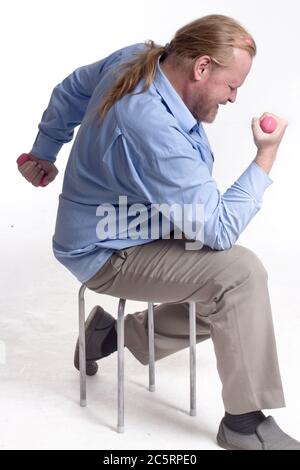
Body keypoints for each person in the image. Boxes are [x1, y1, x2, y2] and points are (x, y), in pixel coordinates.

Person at [18, 14, 300, 450]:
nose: (234, 97)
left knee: (236, 289)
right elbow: (220, 229)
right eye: (231, 85)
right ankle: (243, 424)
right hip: (104, 249)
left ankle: (110, 336)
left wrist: (44, 150)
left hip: (140, 224)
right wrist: (267, 155)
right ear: (202, 67)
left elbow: (71, 89)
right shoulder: (151, 124)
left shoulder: (140, 56)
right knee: (239, 274)